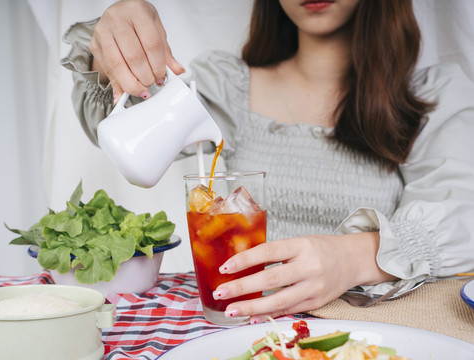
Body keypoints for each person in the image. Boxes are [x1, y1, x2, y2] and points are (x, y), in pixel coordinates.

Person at [61, 0, 474, 323]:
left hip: (373, 332)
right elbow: (118, 120)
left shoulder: (430, 97)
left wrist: (351, 258)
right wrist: (114, 43)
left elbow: (463, 214)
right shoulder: (226, 85)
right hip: (247, 330)